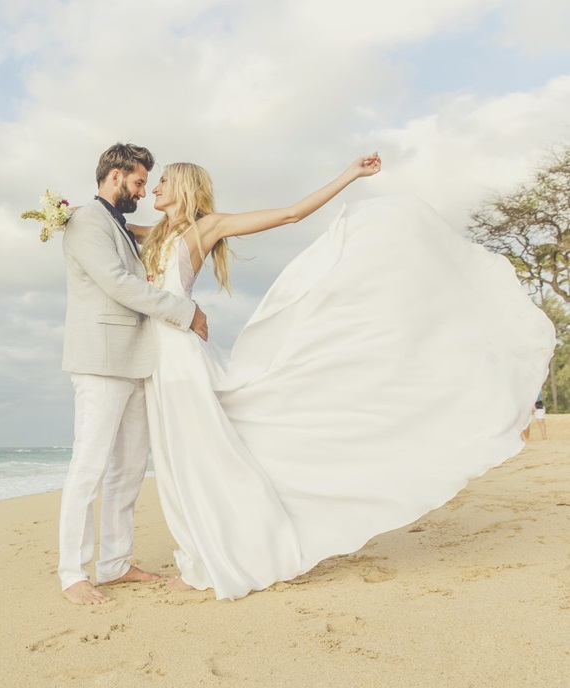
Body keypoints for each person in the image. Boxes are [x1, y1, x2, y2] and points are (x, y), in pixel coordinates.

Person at [137, 156, 555, 599]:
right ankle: (201, 550)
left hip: (181, 354)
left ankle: (222, 553)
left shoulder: (207, 227)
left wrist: (350, 175)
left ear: (183, 185)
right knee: (175, 456)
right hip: (158, 356)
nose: (154, 188)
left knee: (197, 455)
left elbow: (290, 214)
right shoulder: (155, 234)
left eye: (162, 180)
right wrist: (61, 214)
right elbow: (108, 227)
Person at [57, 142, 209, 605]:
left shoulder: (116, 223)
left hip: (136, 360)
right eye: (139, 182)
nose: (143, 191)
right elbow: (119, 285)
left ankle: (115, 563)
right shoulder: (87, 223)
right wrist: (185, 311)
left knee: (127, 469)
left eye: (148, 183)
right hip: (102, 362)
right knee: (89, 466)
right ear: (115, 175)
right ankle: (72, 573)